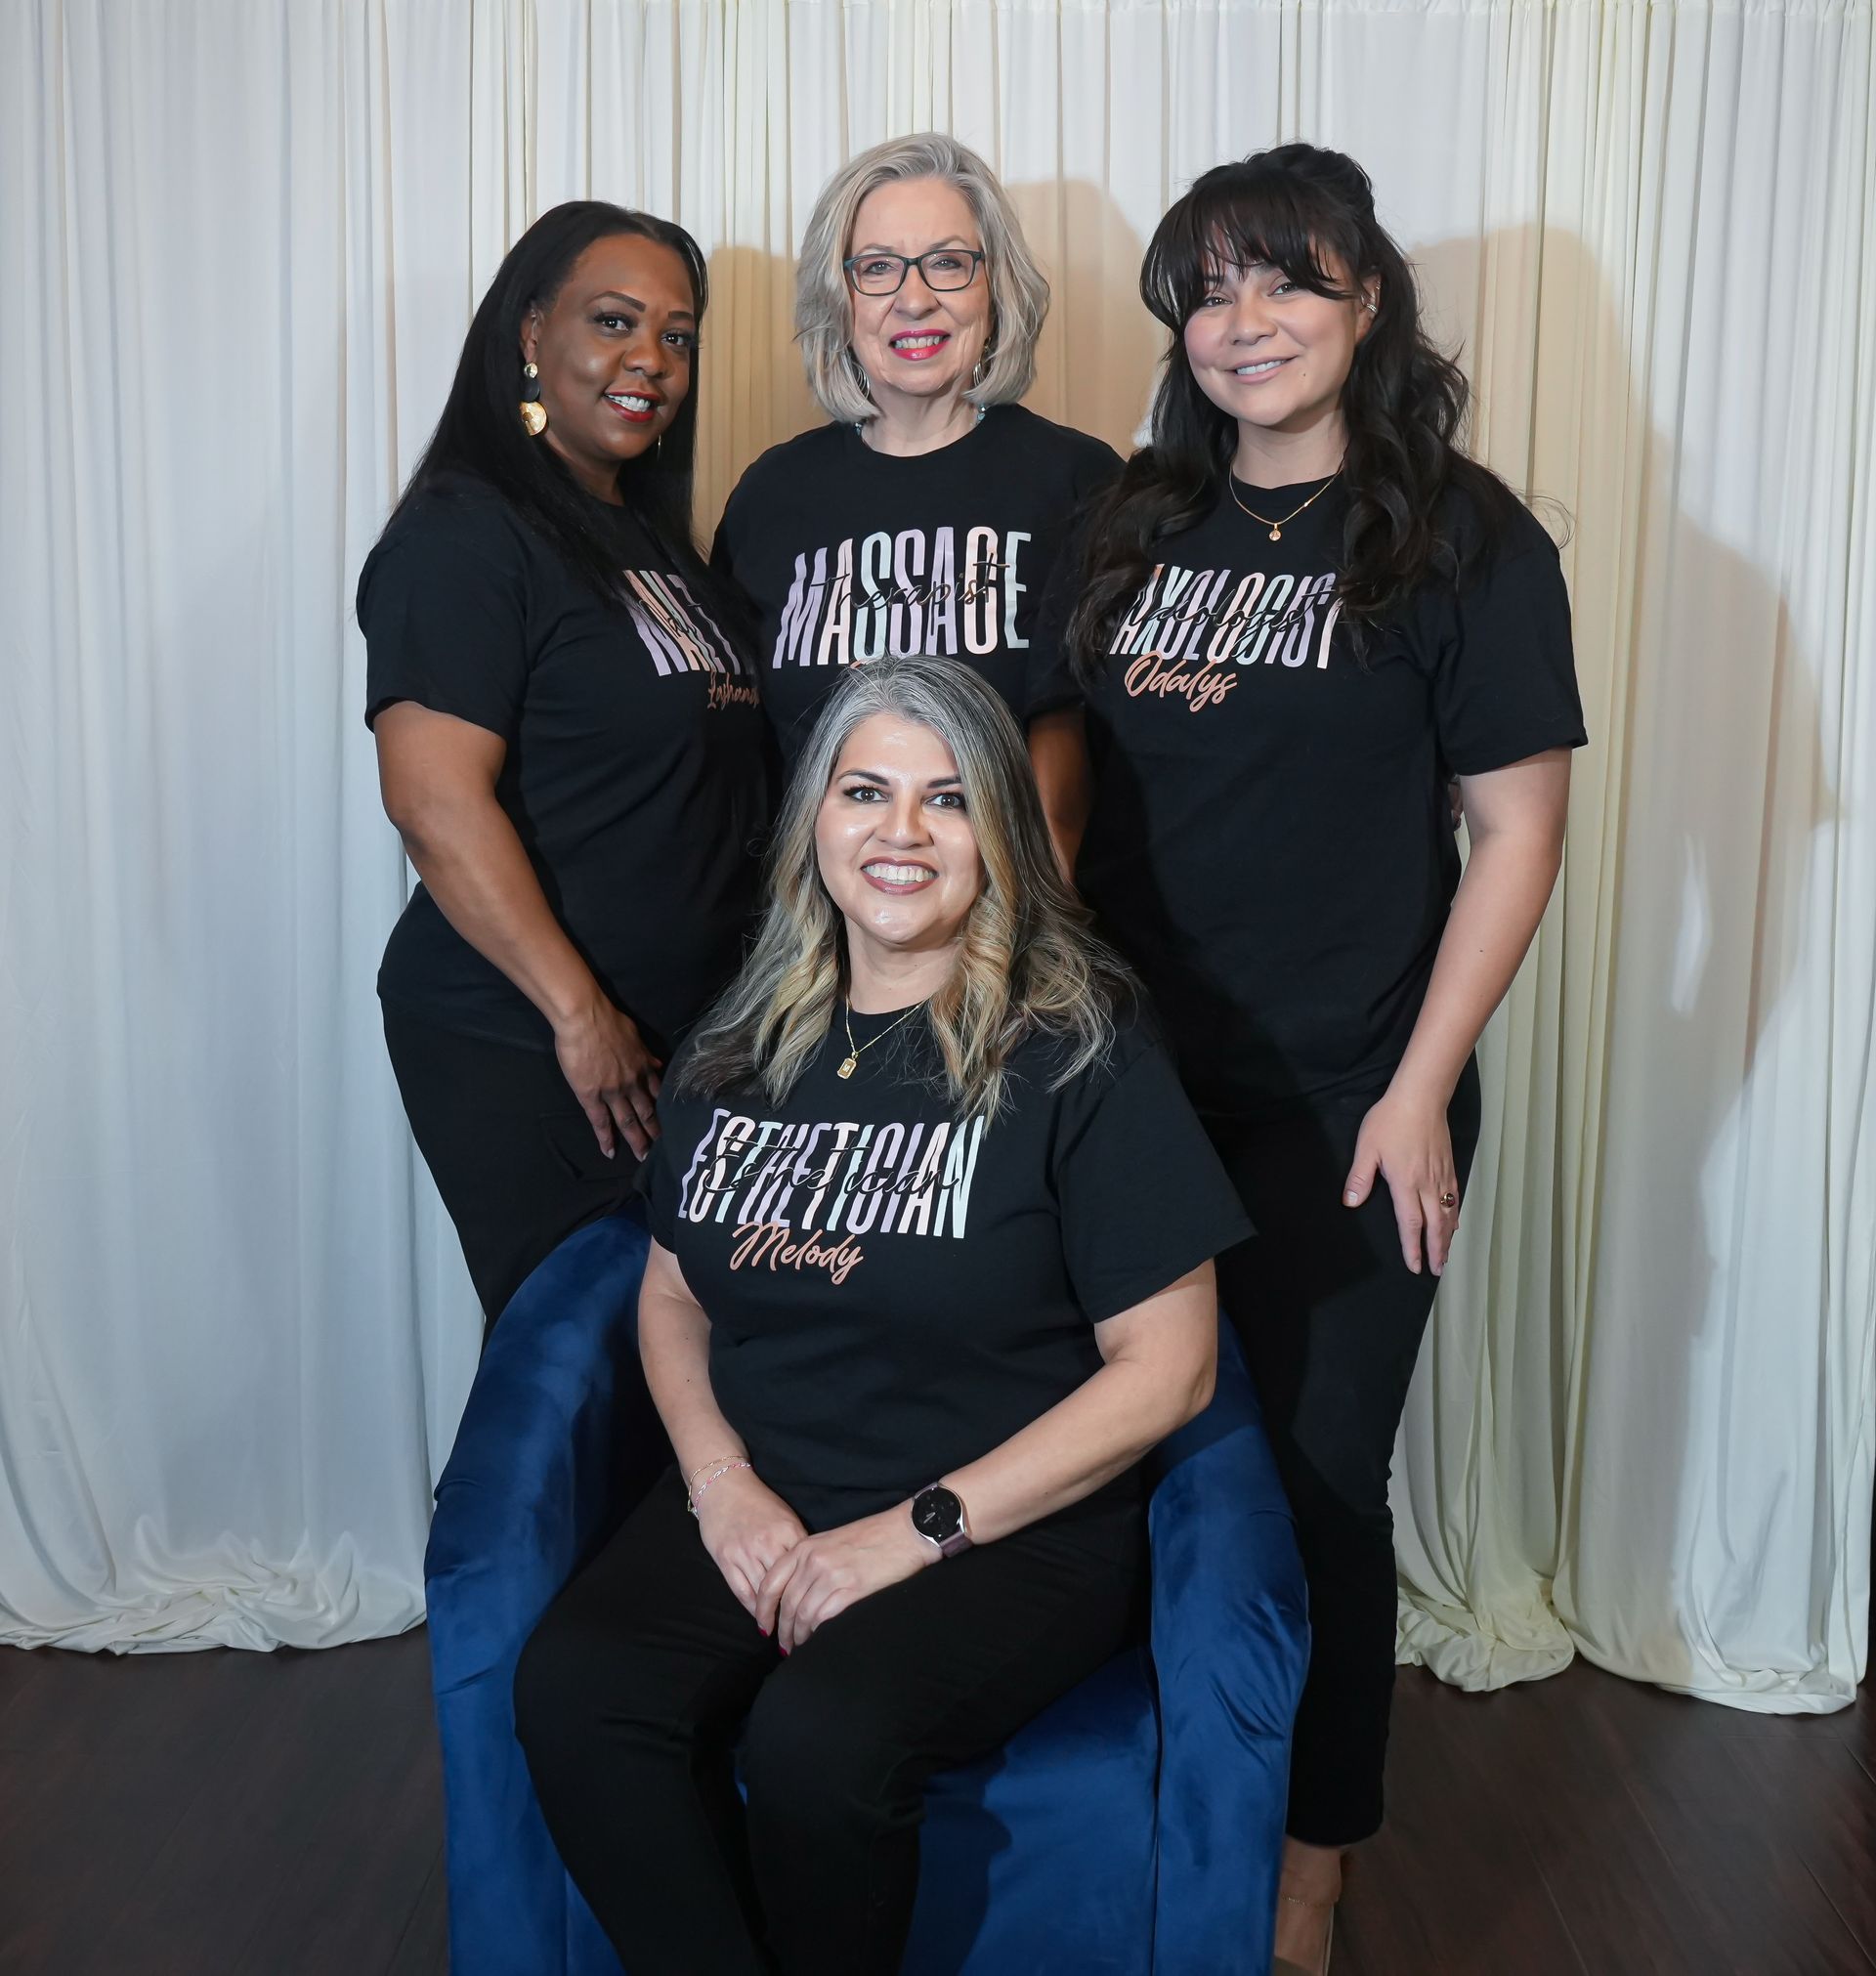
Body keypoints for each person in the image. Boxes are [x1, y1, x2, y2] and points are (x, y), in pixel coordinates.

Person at [1028, 145, 1587, 1974]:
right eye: (1207, 287)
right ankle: (1154, 1804)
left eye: (1288, 280)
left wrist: (1420, 1087)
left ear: (1366, 303)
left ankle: (1311, 1858)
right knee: (1136, 1456)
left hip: (1357, 1095)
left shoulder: (1460, 535)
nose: (1242, 320)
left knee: (1325, 1479)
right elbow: (1069, 798)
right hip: (1129, 1096)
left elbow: (1513, 832)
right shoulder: (1132, 525)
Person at [512, 655, 1251, 1976]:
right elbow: (673, 1290)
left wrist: (911, 1537)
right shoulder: (738, 1044)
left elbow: (1173, 1367)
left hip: (1003, 1525)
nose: (900, 832)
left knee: (819, 1737)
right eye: (866, 790)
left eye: (948, 799)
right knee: (576, 1690)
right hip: (776, 1486)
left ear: (1000, 836)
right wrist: (720, 1483)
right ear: (815, 818)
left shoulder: (1080, 1046)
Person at [359, 201, 767, 1328]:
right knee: (575, 1352)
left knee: (673, 1359)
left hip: (677, 1035)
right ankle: (498, 1516)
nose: (650, 361)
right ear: (530, 333)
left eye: (677, 336)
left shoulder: (648, 541)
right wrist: (578, 1014)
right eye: (615, 322)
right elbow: (433, 803)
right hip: (526, 1033)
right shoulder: (465, 533)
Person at [712, 132, 1122, 772]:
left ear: (995, 287)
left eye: (949, 263)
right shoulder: (771, 494)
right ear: (839, 299)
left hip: (1014, 874)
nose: (913, 299)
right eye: (876, 267)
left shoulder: (1080, 483)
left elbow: (1106, 740)